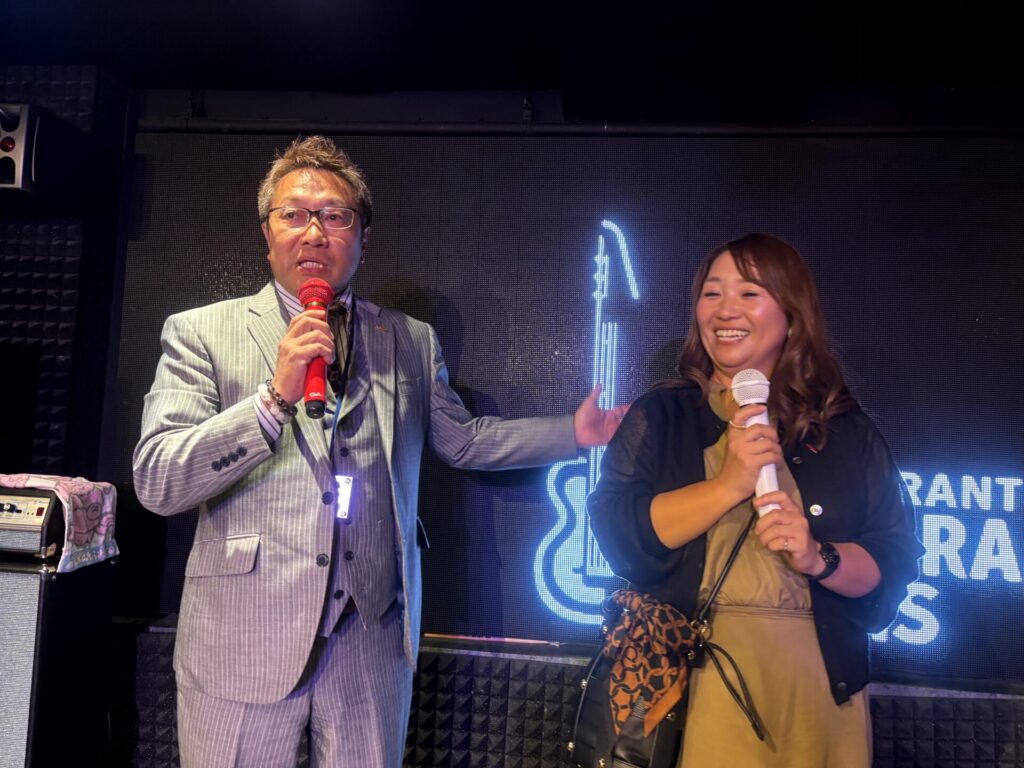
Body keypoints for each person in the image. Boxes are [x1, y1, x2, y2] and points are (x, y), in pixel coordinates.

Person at [132, 135, 626, 768]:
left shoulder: (409, 339)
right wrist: (271, 401)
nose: (315, 232)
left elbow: (464, 440)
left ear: (363, 237)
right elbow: (158, 480)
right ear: (267, 232)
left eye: (336, 216)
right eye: (294, 214)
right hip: (243, 640)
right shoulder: (200, 332)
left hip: (370, 640)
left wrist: (574, 433)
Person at [588, 233, 921, 766]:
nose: (725, 310)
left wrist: (818, 557)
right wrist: (729, 485)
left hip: (818, 686)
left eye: (748, 293)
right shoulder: (663, 415)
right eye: (712, 293)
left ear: (792, 313)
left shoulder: (845, 429)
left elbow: (893, 559)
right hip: (699, 675)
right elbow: (619, 533)